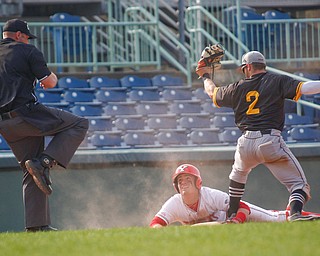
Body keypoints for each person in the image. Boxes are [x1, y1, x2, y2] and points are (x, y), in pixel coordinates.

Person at [195, 50, 320, 222]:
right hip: (269, 140)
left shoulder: (237, 87)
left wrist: (205, 76)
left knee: (238, 176)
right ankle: (295, 214)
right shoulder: (277, 81)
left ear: (248, 67)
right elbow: (306, 88)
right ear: (263, 66)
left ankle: (231, 214)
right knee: (299, 185)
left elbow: (213, 93)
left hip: (245, 143)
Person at [0, 19, 89, 232]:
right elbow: (49, 83)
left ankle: (36, 226)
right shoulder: (27, 51)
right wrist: (51, 77)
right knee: (79, 124)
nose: (28, 41)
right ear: (20, 35)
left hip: (5, 124)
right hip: (25, 114)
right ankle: (45, 161)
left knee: (30, 171)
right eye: (27, 37)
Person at [149, 164, 320, 227]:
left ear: (198, 183)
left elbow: (243, 207)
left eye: (187, 178)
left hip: (233, 218)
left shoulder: (210, 195)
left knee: (276, 219)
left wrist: (236, 222)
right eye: (180, 181)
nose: (183, 182)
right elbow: (156, 223)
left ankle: (306, 215)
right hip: (220, 226)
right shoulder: (175, 203)